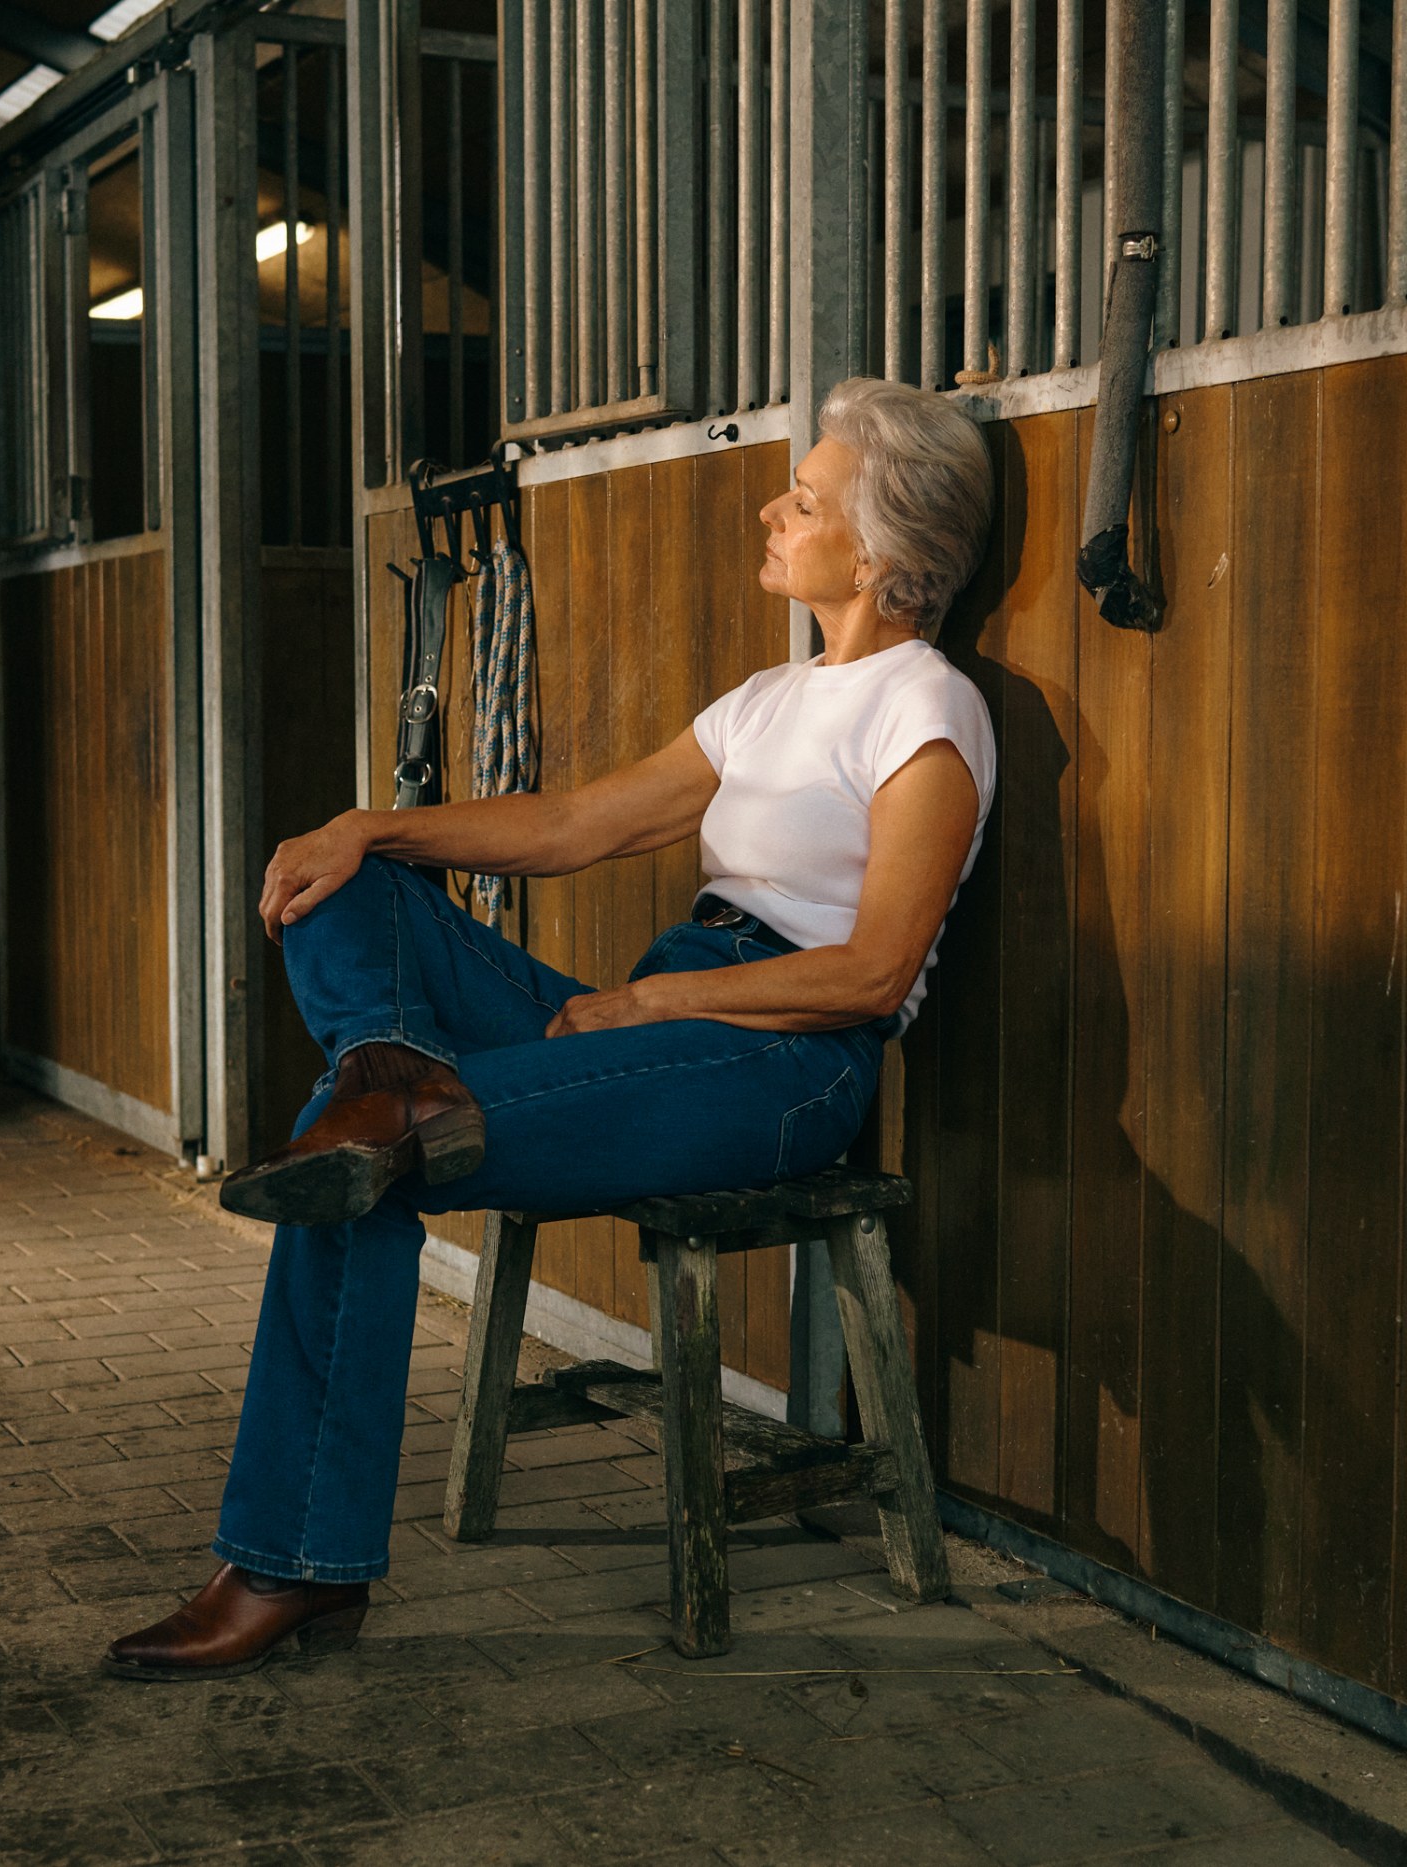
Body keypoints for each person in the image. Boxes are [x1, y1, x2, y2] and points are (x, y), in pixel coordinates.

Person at [104, 377, 1000, 1681]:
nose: (772, 510)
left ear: (875, 554)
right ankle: (386, 1074)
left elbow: (873, 973)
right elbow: (576, 825)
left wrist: (655, 999)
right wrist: (369, 826)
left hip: (784, 1059)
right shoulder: (768, 701)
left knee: (356, 1158)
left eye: (803, 501)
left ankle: (292, 1568)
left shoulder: (929, 706)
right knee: (355, 899)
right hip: (655, 1017)